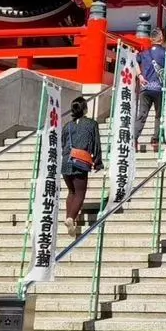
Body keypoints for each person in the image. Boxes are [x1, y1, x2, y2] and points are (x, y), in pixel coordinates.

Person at [61, 96, 102, 236]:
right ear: (85, 109)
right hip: (79, 160)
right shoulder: (91, 124)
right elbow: (96, 144)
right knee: (80, 192)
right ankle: (71, 218)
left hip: (66, 160)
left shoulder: (67, 126)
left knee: (71, 191)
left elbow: (62, 144)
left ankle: (69, 219)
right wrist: (98, 162)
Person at [134, 27, 166, 151]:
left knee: (142, 115)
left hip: (145, 88)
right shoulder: (165, 53)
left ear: (151, 39)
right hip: (159, 89)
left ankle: (134, 139)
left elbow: (135, 61)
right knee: (159, 116)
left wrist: (140, 76)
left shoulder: (145, 53)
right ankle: (155, 139)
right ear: (161, 38)